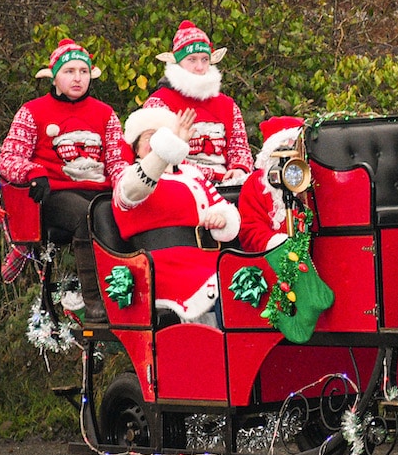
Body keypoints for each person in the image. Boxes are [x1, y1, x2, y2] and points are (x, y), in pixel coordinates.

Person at [0, 38, 130, 321]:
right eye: (69, 71)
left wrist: (127, 189)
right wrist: (33, 172)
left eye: (83, 71)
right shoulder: (32, 111)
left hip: (100, 191)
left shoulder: (105, 114)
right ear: (54, 76)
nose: (77, 78)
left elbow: (119, 161)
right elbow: (8, 158)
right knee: (86, 216)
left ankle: (131, 296)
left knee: (119, 214)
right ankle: (95, 301)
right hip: (54, 195)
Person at [113, 106, 240, 325]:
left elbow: (222, 206)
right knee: (220, 286)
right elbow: (134, 191)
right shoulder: (130, 176)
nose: (158, 142)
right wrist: (165, 149)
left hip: (206, 258)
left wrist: (222, 218)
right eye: (150, 137)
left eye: (164, 136)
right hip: (161, 264)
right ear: (135, 147)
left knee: (248, 280)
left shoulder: (192, 174)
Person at [143, 20, 253, 185]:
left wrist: (239, 170)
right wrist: (213, 175)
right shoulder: (159, 103)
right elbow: (156, 157)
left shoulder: (227, 105)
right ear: (177, 62)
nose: (200, 67)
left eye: (204, 59)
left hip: (227, 186)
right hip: (180, 185)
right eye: (192, 60)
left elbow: (240, 149)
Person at [237, 115, 306, 253]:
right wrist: (276, 244)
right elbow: (250, 229)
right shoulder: (256, 183)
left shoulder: (311, 177)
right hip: (273, 258)